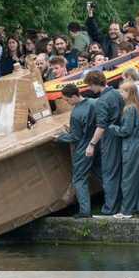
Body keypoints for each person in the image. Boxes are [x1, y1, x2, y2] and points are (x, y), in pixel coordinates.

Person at [108, 82, 139, 218]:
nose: (121, 95)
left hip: (133, 145)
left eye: (122, 92)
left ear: (129, 93)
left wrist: (112, 127)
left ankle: (127, 211)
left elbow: (126, 131)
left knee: (129, 178)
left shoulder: (129, 109)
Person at [84, 71, 124, 215]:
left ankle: (110, 208)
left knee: (109, 173)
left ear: (94, 83)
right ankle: (122, 204)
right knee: (120, 171)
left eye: (89, 85)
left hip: (109, 138)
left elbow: (101, 126)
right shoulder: (117, 94)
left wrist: (92, 144)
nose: (89, 89)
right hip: (121, 134)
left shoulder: (101, 101)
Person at [54, 84, 96, 218]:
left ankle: (85, 211)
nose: (67, 103)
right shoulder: (93, 103)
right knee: (102, 173)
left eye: (67, 100)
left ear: (73, 96)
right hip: (97, 144)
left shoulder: (76, 114)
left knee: (79, 179)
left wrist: (58, 138)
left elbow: (75, 136)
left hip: (83, 149)